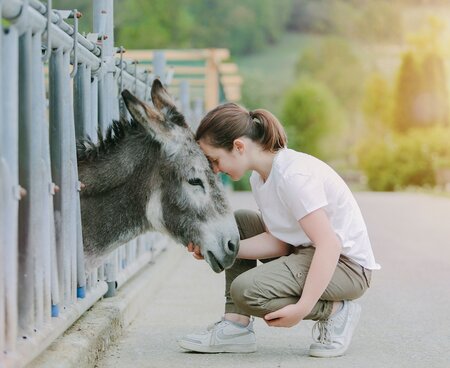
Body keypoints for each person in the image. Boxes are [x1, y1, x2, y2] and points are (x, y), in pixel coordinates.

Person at [178, 103, 380, 357]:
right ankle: (235, 327)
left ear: (239, 146)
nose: (215, 170)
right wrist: (223, 247)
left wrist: (304, 308)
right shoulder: (260, 178)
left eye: (215, 160)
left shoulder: (293, 176)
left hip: (346, 267)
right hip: (307, 252)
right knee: (238, 225)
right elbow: (280, 242)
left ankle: (337, 311)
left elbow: (329, 244)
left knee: (245, 290)